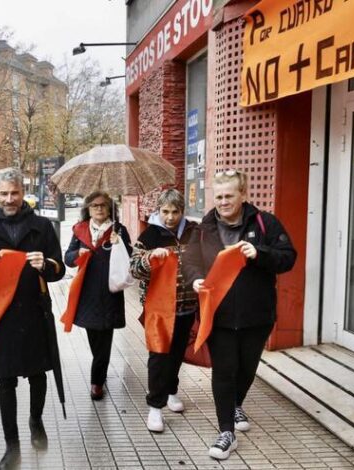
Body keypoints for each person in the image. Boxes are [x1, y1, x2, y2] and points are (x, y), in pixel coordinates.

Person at [184, 170, 296, 460]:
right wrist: (195, 278)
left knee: (246, 369)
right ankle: (226, 432)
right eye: (218, 196)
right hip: (218, 314)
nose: (223, 201)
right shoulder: (204, 228)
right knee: (224, 371)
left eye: (229, 196)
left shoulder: (264, 223)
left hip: (256, 315)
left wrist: (259, 253)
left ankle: (236, 403)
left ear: (242, 194)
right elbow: (190, 261)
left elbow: (288, 258)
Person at [0, 168, 65, 470]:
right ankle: (12, 446)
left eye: (15, 193)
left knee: (38, 375)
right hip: (1, 316)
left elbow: (60, 269)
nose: (10, 199)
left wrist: (45, 263)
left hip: (35, 312)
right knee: (5, 381)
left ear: (24, 193)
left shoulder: (42, 227)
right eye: (4, 193)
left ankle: (36, 419)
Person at [129, 189, 198, 432]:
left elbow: (202, 262)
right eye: (165, 211)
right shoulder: (149, 235)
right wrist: (149, 258)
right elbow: (135, 269)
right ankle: (155, 408)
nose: (170, 217)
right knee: (159, 357)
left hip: (187, 306)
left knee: (178, 352)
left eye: (175, 211)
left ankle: (171, 391)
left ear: (183, 211)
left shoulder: (192, 232)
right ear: (158, 211)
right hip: (159, 309)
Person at [63, 191, 131, 401]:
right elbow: (67, 258)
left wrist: (119, 244)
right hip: (88, 293)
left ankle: (96, 383)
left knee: (105, 337)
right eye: (94, 205)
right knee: (95, 338)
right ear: (88, 209)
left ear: (110, 208)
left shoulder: (119, 229)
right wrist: (78, 255)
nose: (99, 209)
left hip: (110, 293)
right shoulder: (79, 230)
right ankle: (100, 370)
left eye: (103, 205)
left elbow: (130, 258)